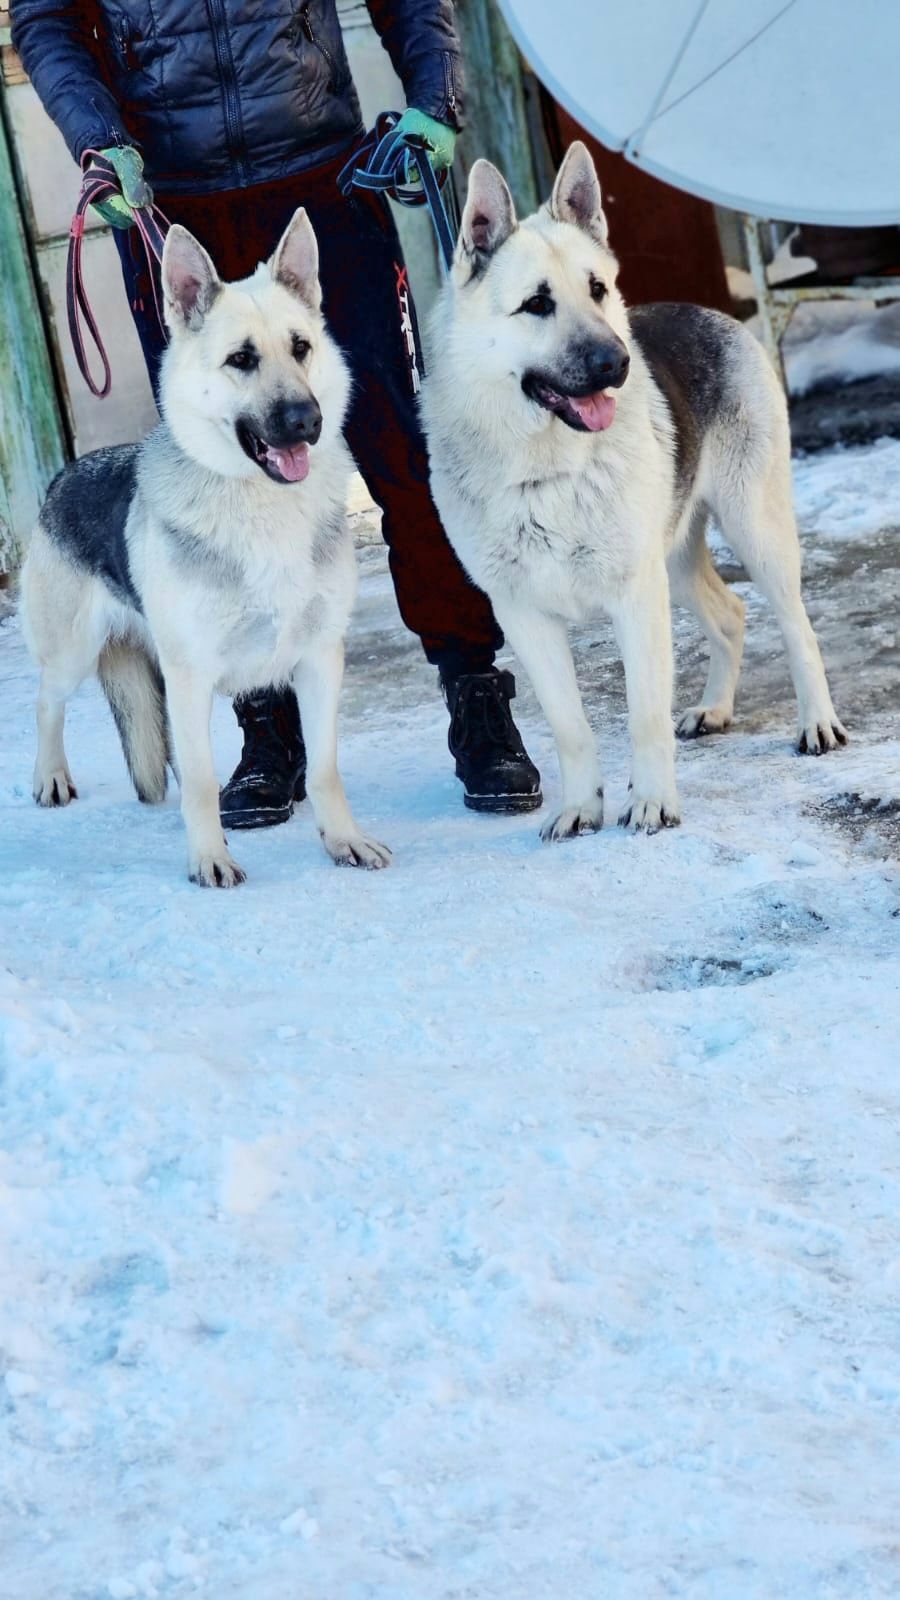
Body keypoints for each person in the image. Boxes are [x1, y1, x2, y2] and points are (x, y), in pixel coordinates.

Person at [11, 0, 542, 826]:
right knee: (216, 479)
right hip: (171, 201)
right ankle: (265, 728)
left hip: (321, 183)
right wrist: (95, 139)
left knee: (403, 455)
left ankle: (476, 692)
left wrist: (434, 104)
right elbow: (46, 19)